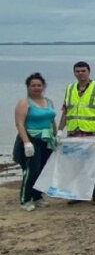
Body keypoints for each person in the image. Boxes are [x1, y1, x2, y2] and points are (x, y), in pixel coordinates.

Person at [58, 61, 95, 205]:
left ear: (89, 72)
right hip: (74, 133)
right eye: (77, 71)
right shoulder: (70, 88)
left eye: (83, 71)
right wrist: (60, 130)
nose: (80, 73)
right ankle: (77, 194)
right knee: (76, 164)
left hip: (92, 132)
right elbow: (66, 110)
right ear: (74, 73)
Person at [13, 73, 56, 211]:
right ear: (28, 87)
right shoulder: (24, 103)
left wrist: (56, 135)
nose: (36, 88)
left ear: (43, 86)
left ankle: (37, 196)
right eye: (33, 85)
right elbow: (19, 124)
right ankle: (25, 199)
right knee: (32, 170)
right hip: (31, 138)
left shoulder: (48, 101)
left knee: (43, 170)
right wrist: (26, 143)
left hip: (46, 139)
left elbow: (51, 119)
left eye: (39, 85)